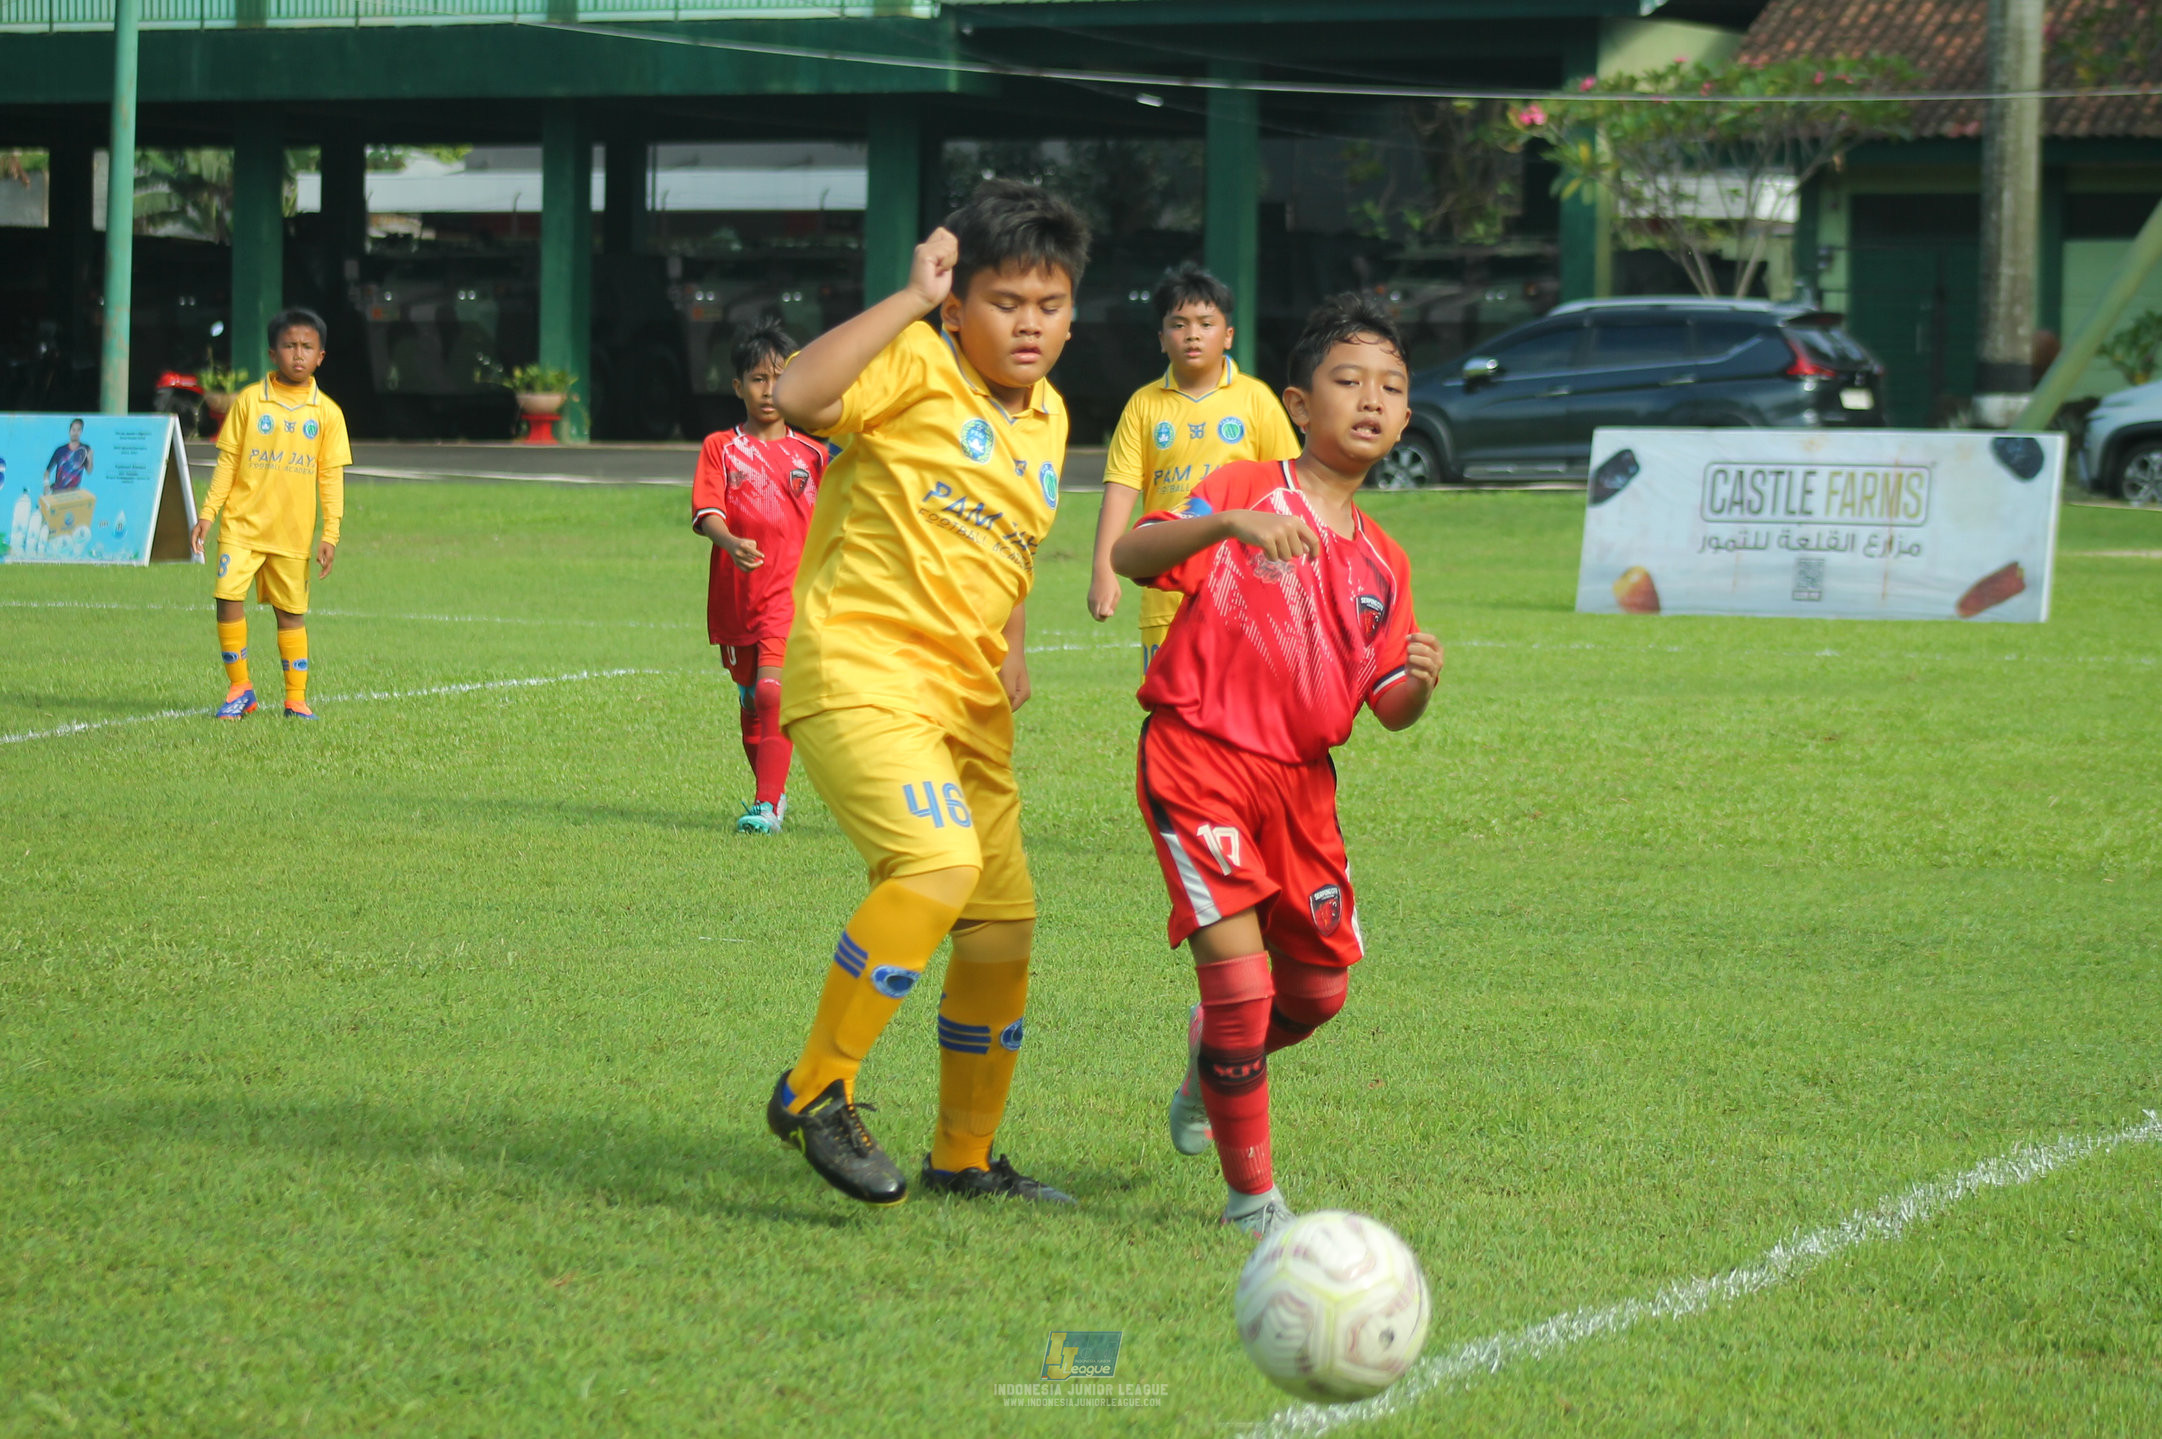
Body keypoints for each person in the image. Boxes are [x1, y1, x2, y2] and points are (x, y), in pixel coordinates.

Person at [763, 180, 1088, 1208]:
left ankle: (963, 1155)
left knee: (999, 926)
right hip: (864, 671)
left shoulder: (1050, 419)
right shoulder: (912, 358)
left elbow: (1009, 541)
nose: (1028, 323)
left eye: (1049, 303)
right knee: (936, 864)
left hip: (966, 704)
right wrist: (906, 298)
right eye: (1004, 301)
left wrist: (1015, 644)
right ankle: (815, 1087)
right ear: (958, 305)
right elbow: (801, 399)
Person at [1109, 293, 1445, 1241]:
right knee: (1243, 987)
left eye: (1390, 387)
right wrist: (1227, 527)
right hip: (1199, 757)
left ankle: (1206, 1058)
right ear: (1300, 403)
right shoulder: (1248, 483)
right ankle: (1252, 1198)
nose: (1370, 400)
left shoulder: (1385, 559)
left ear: (1407, 417)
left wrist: (1418, 682)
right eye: (1348, 380)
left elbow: (1387, 709)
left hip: (1301, 790)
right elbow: (1136, 552)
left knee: (1315, 994)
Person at [1088, 264, 1300, 669]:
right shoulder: (1144, 406)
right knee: (1170, 712)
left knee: (1238, 710)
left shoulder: (1256, 400)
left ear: (1229, 336)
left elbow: (1291, 489)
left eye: (1206, 323)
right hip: (1166, 594)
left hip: (1245, 589)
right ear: (1161, 339)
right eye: (1179, 325)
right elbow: (1121, 489)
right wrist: (1103, 569)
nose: (1192, 335)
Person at [691, 320, 829, 836]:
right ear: (737, 387)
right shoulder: (721, 448)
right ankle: (774, 790)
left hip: (792, 599)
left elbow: (840, 519)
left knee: (773, 694)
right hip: (736, 598)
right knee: (752, 697)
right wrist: (729, 542)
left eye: (779, 378)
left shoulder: (815, 455)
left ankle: (766, 806)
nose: (769, 391)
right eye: (756, 379)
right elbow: (707, 511)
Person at [190, 308, 350, 721]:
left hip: (291, 533)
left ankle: (295, 698)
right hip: (242, 526)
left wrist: (329, 534)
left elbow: (330, 480)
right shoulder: (249, 401)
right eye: (289, 346)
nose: (298, 354)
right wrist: (208, 513)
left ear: (321, 357)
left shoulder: (327, 414)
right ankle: (240, 688)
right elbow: (228, 463)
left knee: (290, 614)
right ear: (272, 353)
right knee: (226, 599)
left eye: (307, 347)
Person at [43, 419, 92, 492]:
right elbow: (47, 471)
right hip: (58, 491)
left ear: (81, 432)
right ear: (69, 431)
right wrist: (46, 485)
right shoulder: (60, 450)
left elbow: (89, 471)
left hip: (74, 493)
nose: (75, 433)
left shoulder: (85, 449)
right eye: (73, 430)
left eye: (78, 430)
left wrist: (90, 457)